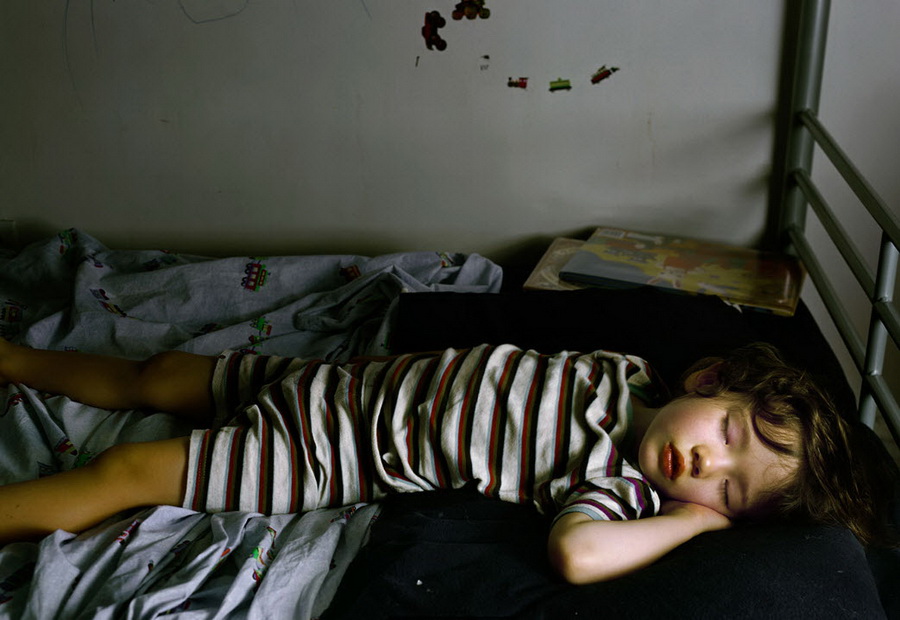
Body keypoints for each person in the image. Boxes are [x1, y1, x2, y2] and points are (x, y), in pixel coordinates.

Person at [0, 339, 892, 584]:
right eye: (728, 434)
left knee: (129, 476)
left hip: (324, 451)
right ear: (710, 381)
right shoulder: (624, 370)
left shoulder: (615, 485)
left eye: (727, 489)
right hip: (336, 383)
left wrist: (688, 522)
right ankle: (18, 358)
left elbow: (578, 555)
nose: (702, 461)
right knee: (159, 374)